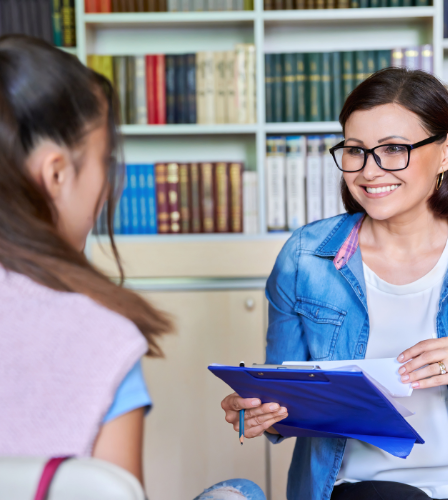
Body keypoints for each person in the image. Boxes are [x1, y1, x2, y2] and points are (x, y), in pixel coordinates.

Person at [0, 35, 265, 500]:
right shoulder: (99, 332)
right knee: (239, 493)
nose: (108, 185)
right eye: (105, 162)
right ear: (57, 173)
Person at [221, 67, 448, 500]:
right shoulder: (305, 259)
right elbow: (285, 402)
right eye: (355, 151)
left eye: (393, 149)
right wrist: (257, 412)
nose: (370, 171)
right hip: (358, 488)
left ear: (446, 152)